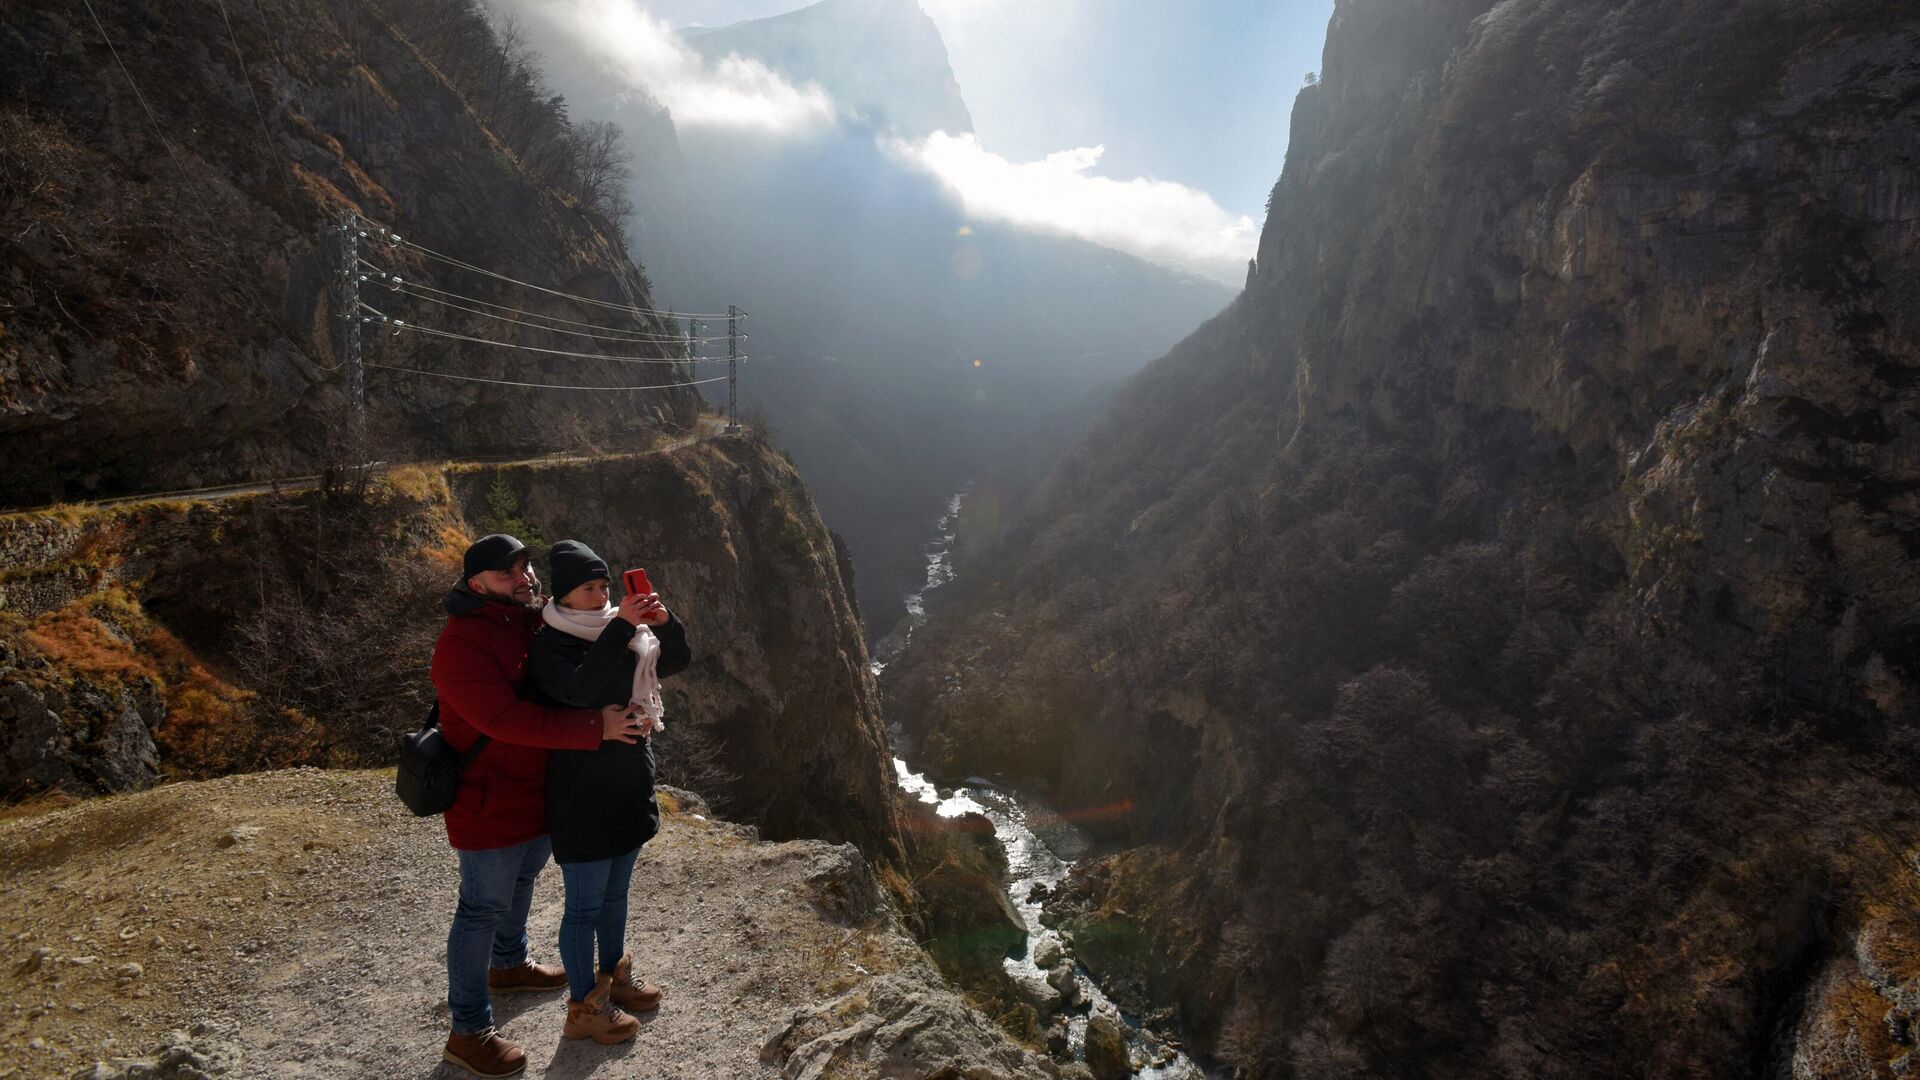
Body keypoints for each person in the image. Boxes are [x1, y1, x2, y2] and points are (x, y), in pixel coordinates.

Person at [430, 534, 651, 1078]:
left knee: (524, 880)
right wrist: (593, 727)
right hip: (488, 794)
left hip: (539, 787)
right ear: (476, 583)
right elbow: (503, 720)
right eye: (508, 573)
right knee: (481, 906)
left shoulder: (528, 623)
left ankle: (507, 965)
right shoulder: (461, 644)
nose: (523, 579)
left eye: (525, 569)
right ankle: (468, 1030)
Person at [526, 539, 691, 1045]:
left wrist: (664, 624)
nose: (599, 596)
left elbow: (676, 661)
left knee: (616, 893)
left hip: (626, 781)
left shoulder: (626, 631)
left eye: (603, 586)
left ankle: (612, 975)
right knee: (582, 906)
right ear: (563, 596)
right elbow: (579, 690)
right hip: (581, 793)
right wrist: (621, 624)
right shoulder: (550, 644)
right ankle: (584, 1007)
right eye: (588, 588)